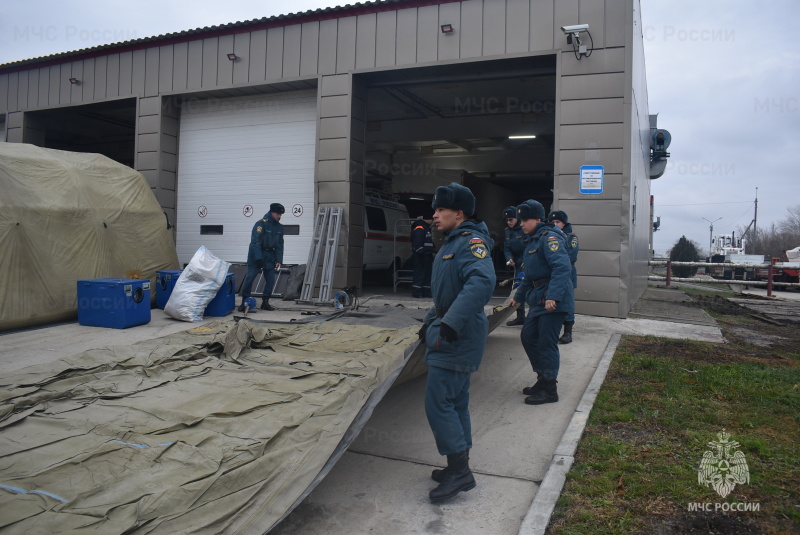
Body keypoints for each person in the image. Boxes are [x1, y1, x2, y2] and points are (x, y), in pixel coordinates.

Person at [418, 182, 496, 503]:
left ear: (458, 213)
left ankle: (460, 472)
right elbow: (445, 294)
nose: (434, 215)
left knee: (439, 403)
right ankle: (457, 466)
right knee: (456, 401)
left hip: (458, 335)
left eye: (440, 210)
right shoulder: (452, 241)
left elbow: (482, 281)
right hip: (450, 329)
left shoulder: (470, 243)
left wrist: (450, 322)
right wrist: (429, 323)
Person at [509, 200, 574, 405]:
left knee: (546, 343)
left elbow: (562, 268)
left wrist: (553, 296)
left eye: (525, 220)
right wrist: (517, 298)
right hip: (538, 299)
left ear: (538, 219)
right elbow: (529, 276)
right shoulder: (532, 242)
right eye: (520, 220)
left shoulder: (550, 238)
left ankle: (549, 390)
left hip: (553, 300)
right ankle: (543, 378)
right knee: (528, 337)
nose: (522, 224)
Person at [239, 203, 285, 312]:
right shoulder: (261, 224)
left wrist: (278, 260)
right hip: (256, 255)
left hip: (269, 256)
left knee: (270, 280)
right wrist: (258, 258)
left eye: (281, 214)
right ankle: (244, 302)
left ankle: (265, 302)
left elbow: (279, 244)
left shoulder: (279, 227)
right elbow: (255, 242)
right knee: (250, 279)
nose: (279, 216)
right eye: (278, 213)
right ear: (272, 212)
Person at [548, 210, 579, 344]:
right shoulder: (550, 237)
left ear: (564, 223)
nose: (555, 224)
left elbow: (570, 256)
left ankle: (568, 332)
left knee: (567, 303)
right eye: (553, 222)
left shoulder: (571, 238)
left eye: (558, 222)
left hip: (568, 273)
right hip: (553, 274)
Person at [502, 205, 527, 326]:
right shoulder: (507, 231)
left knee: (530, 289)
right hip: (517, 263)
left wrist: (527, 259)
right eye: (507, 220)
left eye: (511, 219)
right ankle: (520, 316)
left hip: (527, 261)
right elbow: (506, 247)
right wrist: (509, 258)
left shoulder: (524, 228)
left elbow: (531, 244)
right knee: (517, 288)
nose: (509, 222)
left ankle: (534, 317)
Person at [411, 214, 435, 298]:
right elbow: (418, 241)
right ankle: (417, 292)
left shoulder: (426, 227)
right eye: (432, 219)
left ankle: (426, 291)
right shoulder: (420, 227)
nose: (433, 221)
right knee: (420, 273)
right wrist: (420, 252)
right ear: (428, 219)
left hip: (427, 254)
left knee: (428, 273)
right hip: (421, 254)